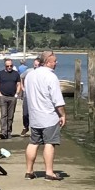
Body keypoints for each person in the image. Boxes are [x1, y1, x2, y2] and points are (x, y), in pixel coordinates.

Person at [22, 50, 67, 180]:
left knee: (33, 142)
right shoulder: (51, 76)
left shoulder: (30, 75)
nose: (56, 63)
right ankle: (49, 172)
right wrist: (62, 115)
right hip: (49, 116)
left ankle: (29, 171)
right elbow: (57, 99)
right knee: (49, 143)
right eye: (54, 61)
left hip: (35, 115)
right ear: (48, 62)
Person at [0, 58, 22, 137]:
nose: (9, 67)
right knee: (3, 115)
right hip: (3, 97)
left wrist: (17, 94)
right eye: (7, 66)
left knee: (10, 116)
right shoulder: (0, 74)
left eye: (11, 66)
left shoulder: (16, 74)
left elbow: (19, 84)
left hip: (12, 97)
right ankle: (3, 132)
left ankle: (8, 132)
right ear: (5, 66)